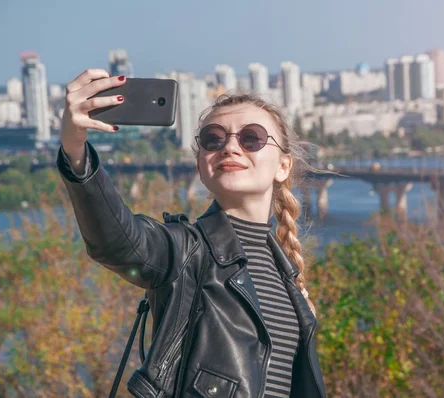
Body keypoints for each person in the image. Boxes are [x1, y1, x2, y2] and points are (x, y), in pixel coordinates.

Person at [57, 69, 326, 398]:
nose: (230, 146)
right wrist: (75, 151)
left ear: (282, 166)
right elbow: (117, 241)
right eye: (213, 139)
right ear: (201, 165)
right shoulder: (185, 250)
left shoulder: (287, 278)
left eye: (251, 138)